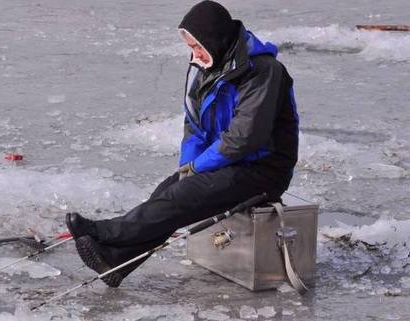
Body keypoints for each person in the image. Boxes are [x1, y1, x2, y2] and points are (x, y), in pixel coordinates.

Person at [66, 0, 299, 287]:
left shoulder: (263, 72)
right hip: (228, 162)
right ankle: (117, 260)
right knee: (169, 191)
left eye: (198, 46)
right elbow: (195, 127)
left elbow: (244, 138)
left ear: (215, 40)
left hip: (264, 169)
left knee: (181, 197)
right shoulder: (208, 68)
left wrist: (198, 167)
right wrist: (186, 169)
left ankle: (108, 232)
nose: (195, 54)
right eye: (191, 48)